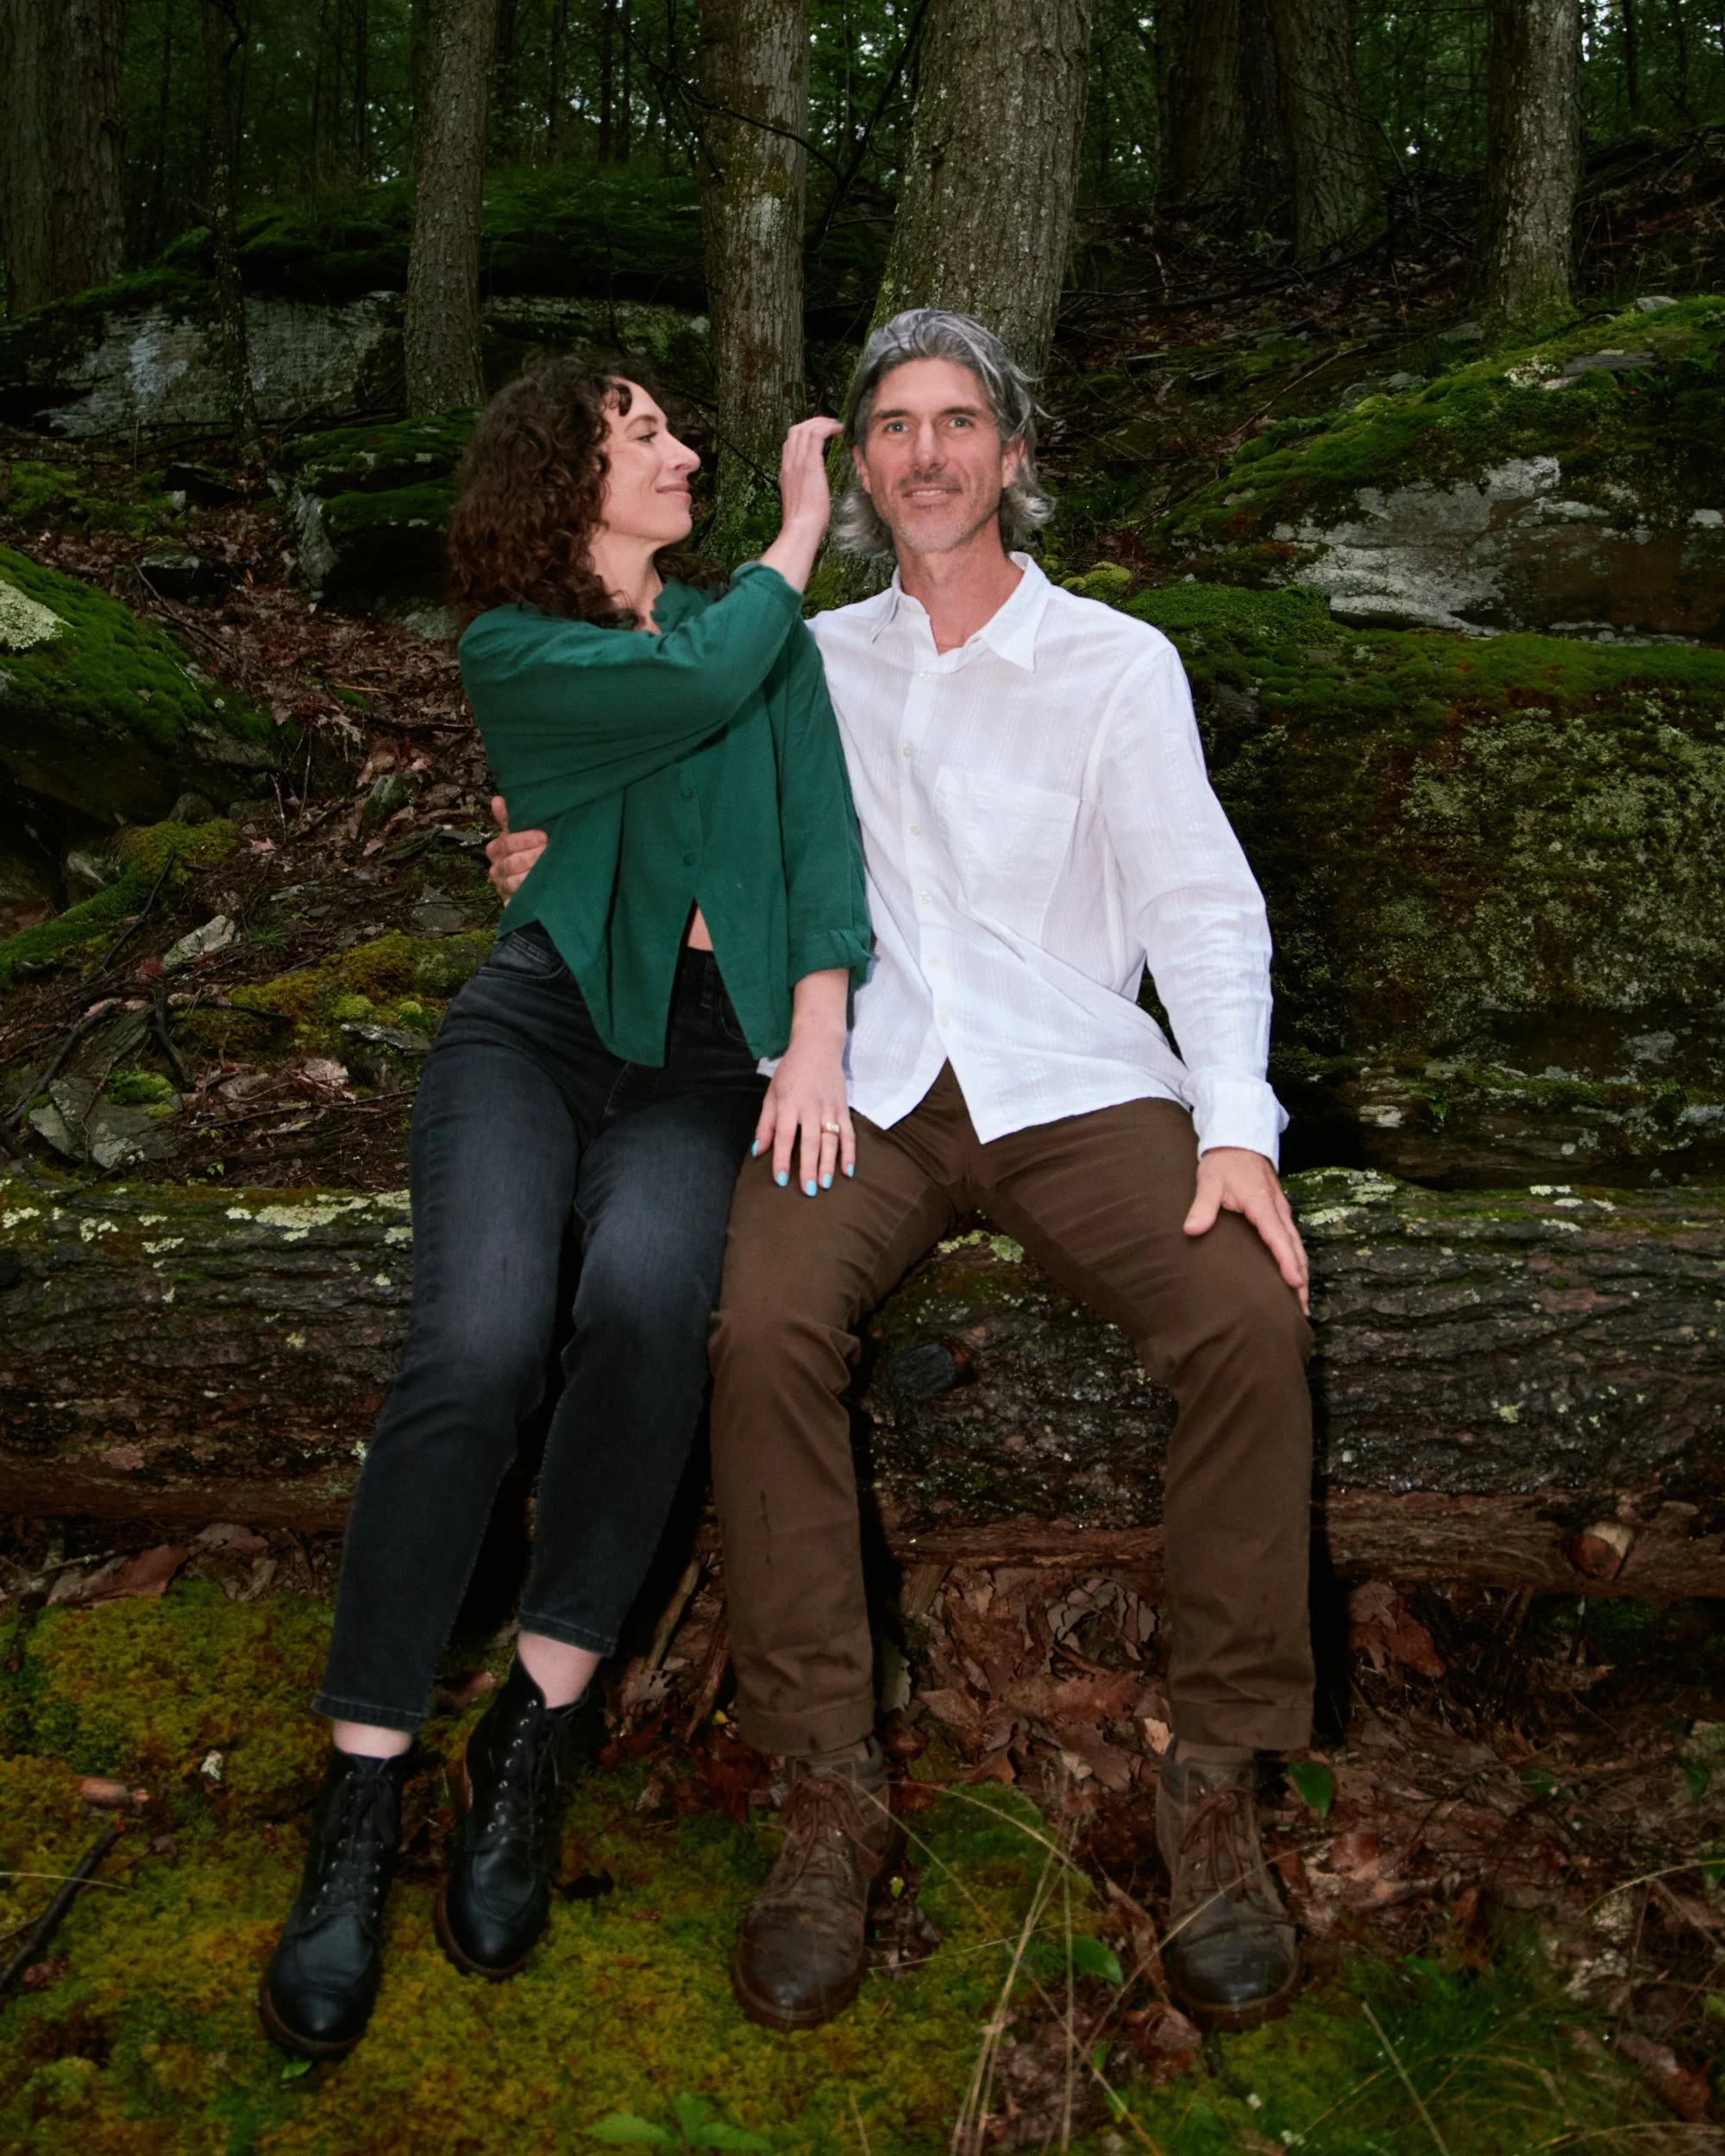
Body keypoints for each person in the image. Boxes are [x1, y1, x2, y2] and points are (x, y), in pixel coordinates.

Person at [487, 310, 1314, 2037]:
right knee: (761, 1327)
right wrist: (560, 853)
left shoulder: (1115, 663)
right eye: (892, 425)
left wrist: (1236, 1122)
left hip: (1074, 1078)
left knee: (1246, 1315)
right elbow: (665, 781)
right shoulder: (798, 650)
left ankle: (1218, 1778)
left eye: (957, 422)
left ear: (1013, 452)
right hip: (854, 1087)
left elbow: (1199, 904)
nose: (925, 453)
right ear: (858, 464)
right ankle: (826, 1788)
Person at [259, 358, 870, 2061]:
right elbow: (693, 683)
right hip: (534, 1025)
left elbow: (819, 841)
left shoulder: (760, 640)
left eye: (676, 428)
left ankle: (533, 1732)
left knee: (654, 1304)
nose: (683, 450)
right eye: (643, 434)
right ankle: (360, 1795)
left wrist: (816, 1037)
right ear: (562, 475)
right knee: (474, 1345)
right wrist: (800, 529)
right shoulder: (517, 649)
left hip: (704, 1053)